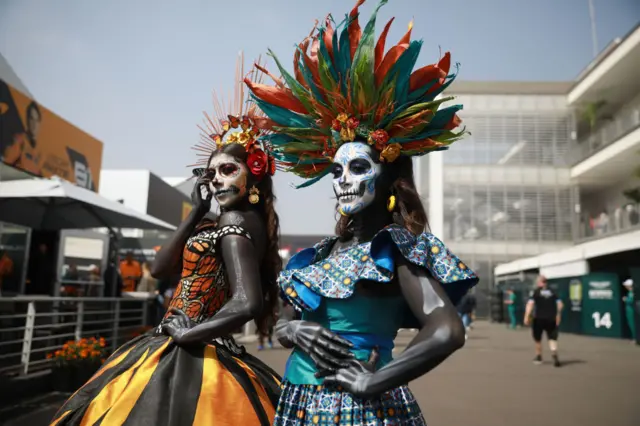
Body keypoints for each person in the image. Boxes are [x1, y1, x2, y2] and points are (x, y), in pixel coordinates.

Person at [247, 1, 477, 423]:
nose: (343, 180)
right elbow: (282, 325)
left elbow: (447, 330)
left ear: (388, 177)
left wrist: (375, 381)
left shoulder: (396, 248)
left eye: (358, 167)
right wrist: (294, 330)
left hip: (360, 408)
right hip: (297, 404)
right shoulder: (317, 255)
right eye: (336, 170)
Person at [50, 57, 282, 426]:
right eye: (211, 173)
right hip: (178, 340)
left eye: (228, 170)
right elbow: (160, 270)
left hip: (194, 347)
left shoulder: (236, 220)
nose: (218, 180)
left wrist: (190, 332)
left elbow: (246, 302)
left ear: (252, 176)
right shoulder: (220, 220)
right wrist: (194, 213)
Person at [524, 275, 563, 367]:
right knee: (552, 338)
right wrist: (558, 314)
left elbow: (530, 304)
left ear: (539, 282)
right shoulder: (553, 292)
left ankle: (539, 356)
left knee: (537, 338)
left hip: (539, 318)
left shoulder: (536, 292)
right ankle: (554, 355)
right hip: (551, 318)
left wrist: (526, 316)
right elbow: (560, 304)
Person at [623, 279, 636, 343]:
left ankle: (635, 338)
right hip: (629, 310)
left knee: (633, 324)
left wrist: (626, 299)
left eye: (626, 285)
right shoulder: (630, 292)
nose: (625, 287)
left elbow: (632, 301)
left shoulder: (632, 292)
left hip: (631, 311)